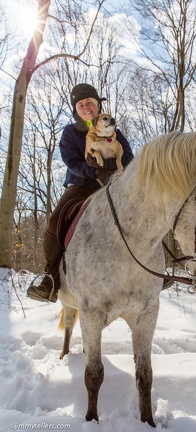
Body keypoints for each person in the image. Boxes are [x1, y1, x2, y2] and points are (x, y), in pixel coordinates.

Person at [27, 83, 134, 303]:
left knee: (140, 211)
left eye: (90, 103)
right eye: (81, 104)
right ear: (77, 109)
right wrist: (94, 171)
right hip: (81, 185)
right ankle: (50, 278)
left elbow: (129, 157)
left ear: (98, 106)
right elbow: (71, 161)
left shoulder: (116, 132)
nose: (86, 107)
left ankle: (155, 270)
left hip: (114, 184)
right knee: (54, 221)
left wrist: (114, 168)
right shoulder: (70, 132)